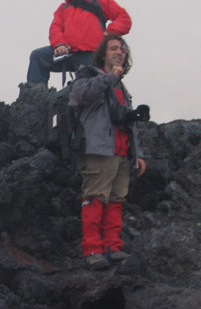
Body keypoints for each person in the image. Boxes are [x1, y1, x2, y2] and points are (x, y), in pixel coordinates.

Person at [68, 34, 147, 270]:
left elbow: (128, 122)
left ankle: (113, 247)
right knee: (95, 197)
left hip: (121, 151)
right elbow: (78, 96)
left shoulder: (122, 87)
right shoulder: (89, 75)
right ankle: (92, 250)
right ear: (103, 53)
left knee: (115, 200)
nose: (119, 52)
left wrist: (138, 154)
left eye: (122, 49)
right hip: (98, 149)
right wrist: (110, 77)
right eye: (114, 48)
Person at [27, 0, 131, 85]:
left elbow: (124, 19)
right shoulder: (63, 7)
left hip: (92, 54)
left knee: (94, 86)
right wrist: (59, 44)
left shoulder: (102, 2)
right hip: (68, 53)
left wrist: (109, 33)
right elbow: (55, 28)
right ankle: (35, 95)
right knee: (38, 56)